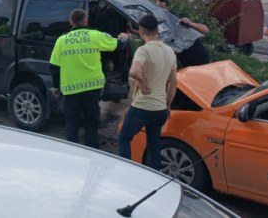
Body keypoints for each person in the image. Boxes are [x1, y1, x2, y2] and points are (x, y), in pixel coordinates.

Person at [50, 9, 129, 149]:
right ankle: (91, 149)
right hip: (92, 88)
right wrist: (124, 37)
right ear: (86, 21)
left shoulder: (61, 41)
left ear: (71, 22)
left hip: (71, 89)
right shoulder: (95, 36)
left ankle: (72, 150)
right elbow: (119, 45)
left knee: (72, 122)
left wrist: (55, 87)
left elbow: (55, 67)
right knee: (91, 120)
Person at [118, 14, 178, 170]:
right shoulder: (170, 52)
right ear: (157, 30)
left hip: (142, 108)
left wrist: (142, 82)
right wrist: (168, 105)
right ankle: (155, 177)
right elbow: (173, 83)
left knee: (124, 137)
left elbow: (134, 72)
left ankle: (126, 172)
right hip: (159, 110)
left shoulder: (143, 51)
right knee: (153, 145)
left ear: (141, 31)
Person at [156, 0, 211, 67]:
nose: (159, 9)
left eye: (162, 7)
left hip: (202, 60)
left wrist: (191, 23)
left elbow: (206, 30)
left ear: (167, 8)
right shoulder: (159, 25)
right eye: (157, 7)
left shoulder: (178, 20)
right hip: (186, 65)